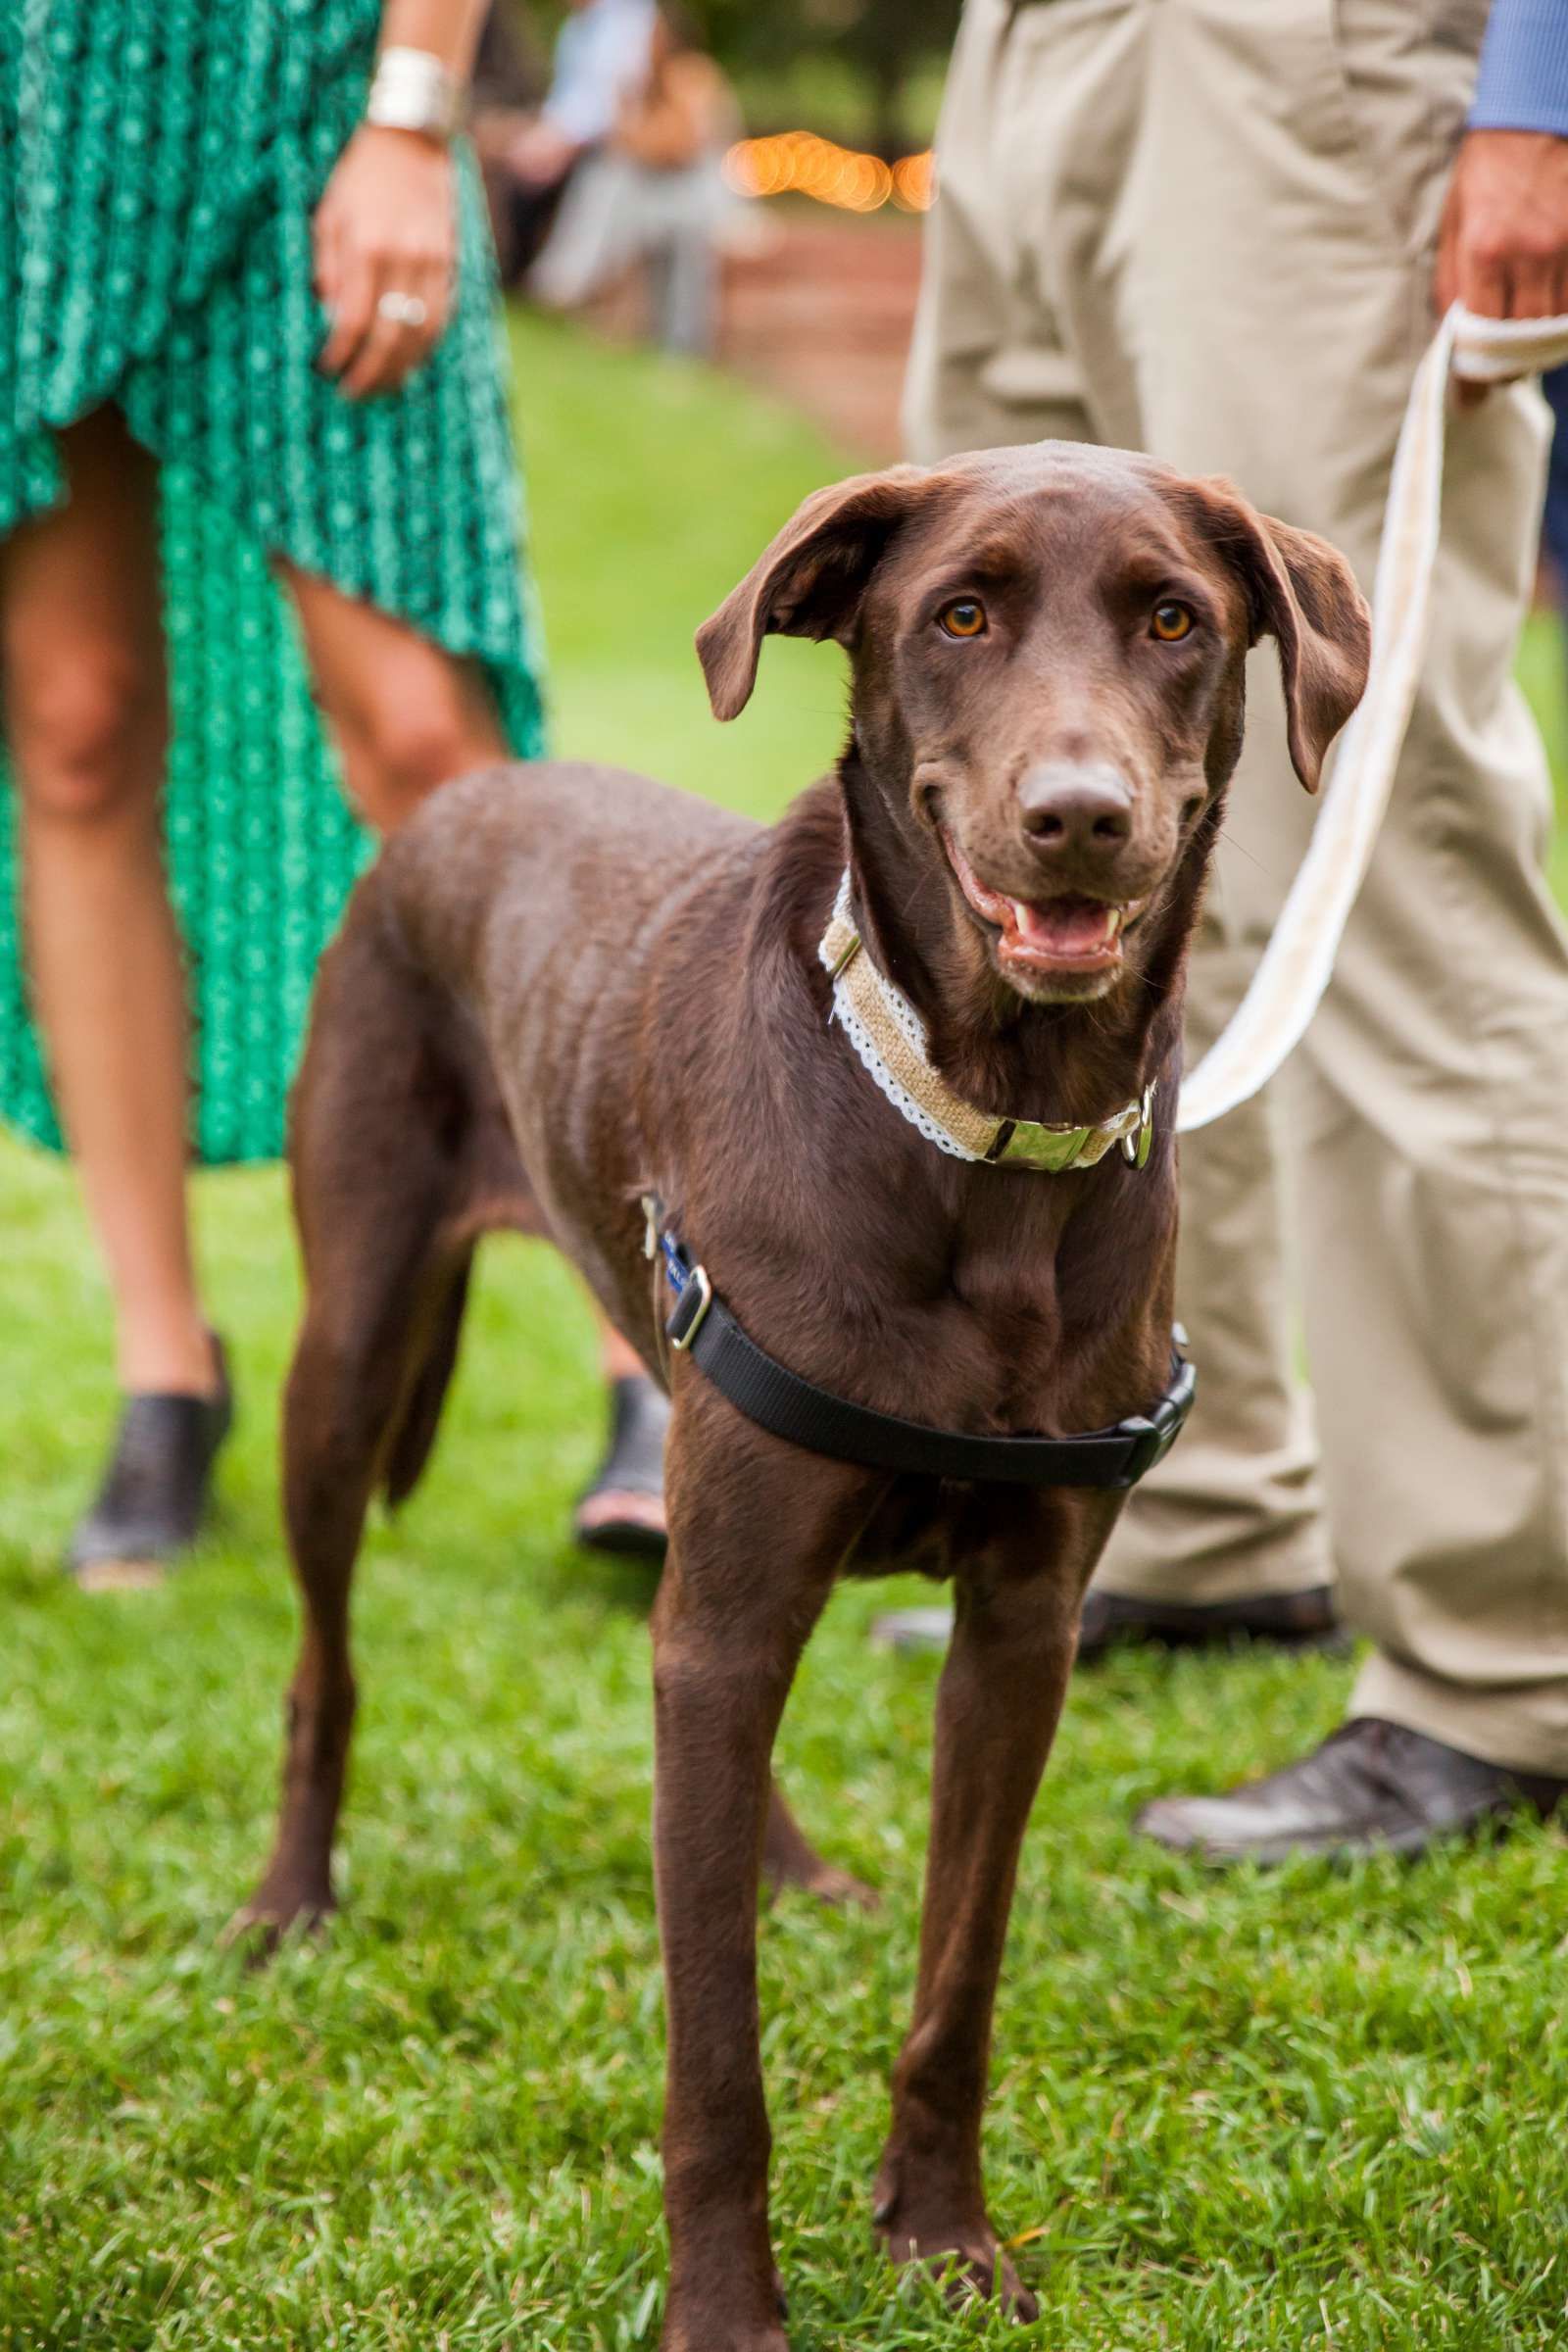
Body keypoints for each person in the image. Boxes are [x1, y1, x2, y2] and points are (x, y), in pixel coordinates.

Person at [907, 0, 1568, 1860]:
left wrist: (1543, 89)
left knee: (1383, 833)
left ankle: (1510, 1664)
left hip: (1309, 55)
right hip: (1024, 48)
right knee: (1086, 773)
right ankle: (1202, 1511)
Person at [1, 0, 665, 1585]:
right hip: (35, 107)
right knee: (75, 723)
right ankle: (168, 1375)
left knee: (426, 738)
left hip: (309, 76)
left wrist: (409, 111)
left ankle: (651, 1353)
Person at [530, 7, 742, 358]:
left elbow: (679, 147)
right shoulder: (637, 87)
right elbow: (623, 138)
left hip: (691, 200)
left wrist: (636, 134)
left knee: (613, 184)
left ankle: (566, 282)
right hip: (649, 198)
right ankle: (568, 283)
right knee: (608, 180)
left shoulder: (692, 78)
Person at [482, 0, 658, 282]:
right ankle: (510, 272)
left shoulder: (631, 21)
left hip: (616, 147)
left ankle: (551, 281)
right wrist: (539, 136)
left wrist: (559, 145)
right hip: (569, 140)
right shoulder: (576, 28)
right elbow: (564, 101)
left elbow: (613, 107)